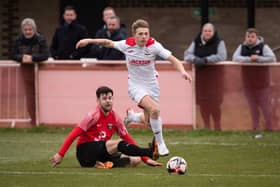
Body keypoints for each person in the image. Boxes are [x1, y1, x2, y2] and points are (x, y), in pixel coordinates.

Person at [76, 19, 192, 156]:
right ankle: (161, 144)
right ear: (134, 35)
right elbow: (107, 43)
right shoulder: (127, 44)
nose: (144, 37)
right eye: (140, 34)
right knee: (155, 110)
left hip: (152, 85)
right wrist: (88, 41)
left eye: (146, 34)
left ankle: (133, 117)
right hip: (136, 86)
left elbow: (174, 59)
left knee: (150, 121)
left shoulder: (154, 46)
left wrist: (183, 71)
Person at [51, 86, 161, 168]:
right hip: (85, 152)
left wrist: (146, 160)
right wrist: (60, 154)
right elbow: (73, 134)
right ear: (98, 101)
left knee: (136, 160)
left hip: (102, 152)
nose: (108, 101)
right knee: (117, 143)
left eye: (110, 98)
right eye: (104, 98)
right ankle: (149, 151)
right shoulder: (93, 115)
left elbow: (128, 138)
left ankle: (105, 165)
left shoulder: (115, 118)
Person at [184, 23, 227, 130]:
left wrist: (207, 60)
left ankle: (217, 125)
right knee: (203, 103)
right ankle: (206, 126)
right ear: (202, 32)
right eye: (205, 31)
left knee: (215, 102)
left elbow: (222, 56)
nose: (207, 33)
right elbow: (187, 55)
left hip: (215, 78)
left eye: (209, 31)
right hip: (200, 78)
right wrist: (195, 59)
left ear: (213, 32)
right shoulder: (196, 42)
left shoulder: (219, 42)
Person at [232, 28, 276, 130]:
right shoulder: (241, 47)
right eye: (248, 36)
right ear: (245, 37)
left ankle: (269, 128)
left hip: (263, 84)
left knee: (265, 108)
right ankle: (255, 128)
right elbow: (235, 58)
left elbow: (272, 58)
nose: (250, 39)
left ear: (257, 37)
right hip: (248, 83)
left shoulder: (263, 47)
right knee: (253, 108)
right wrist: (249, 59)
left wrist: (259, 59)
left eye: (252, 37)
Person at [10, 18, 49, 125]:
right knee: (30, 96)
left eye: (30, 29)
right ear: (22, 30)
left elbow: (45, 55)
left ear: (34, 29)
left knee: (43, 96)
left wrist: (32, 58)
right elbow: (12, 54)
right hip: (26, 71)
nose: (28, 32)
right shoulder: (18, 40)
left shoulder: (41, 39)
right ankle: (33, 121)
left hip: (41, 71)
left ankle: (44, 121)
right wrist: (22, 57)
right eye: (25, 29)